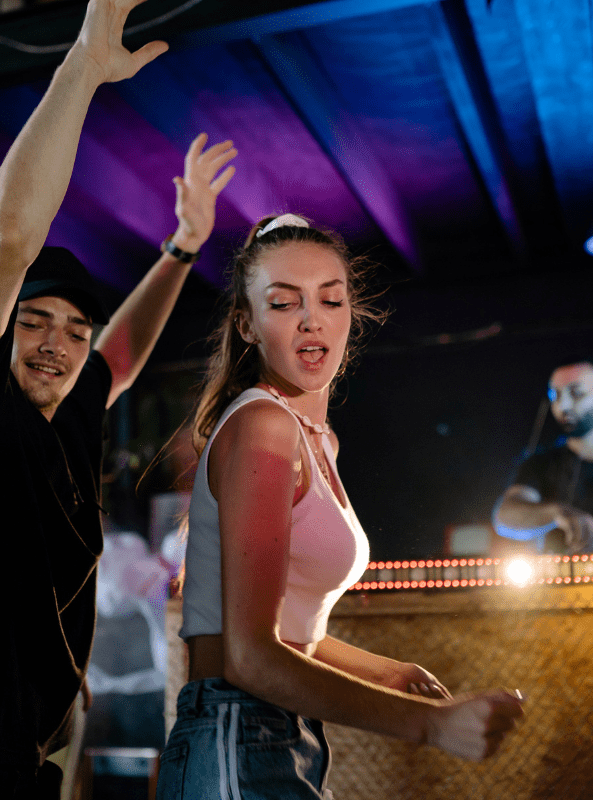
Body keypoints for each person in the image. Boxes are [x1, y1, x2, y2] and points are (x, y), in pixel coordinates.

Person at [156, 213, 524, 799]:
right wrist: (432, 726)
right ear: (246, 324)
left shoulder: (314, 439)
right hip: (236, 728)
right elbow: (248, 657)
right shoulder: (263, 425)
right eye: (284, 303)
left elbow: (285, 630)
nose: (312, 319)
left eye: (330, 299)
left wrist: (389, 673)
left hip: (275, 731)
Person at [0, 2, 236, 795]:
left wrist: (184, 246)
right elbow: (9, 239)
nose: (56, 343)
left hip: (32, 746)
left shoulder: (66, 416)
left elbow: (122, 356)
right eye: (33, 321)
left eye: (74, 330)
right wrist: (85, 64)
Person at [493, 360, 593, 554]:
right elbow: (505, 516)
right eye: (556, 395)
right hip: (559, 573)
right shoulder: (540, 464)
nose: (563, 405)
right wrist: (557, 513)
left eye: (576, 393)